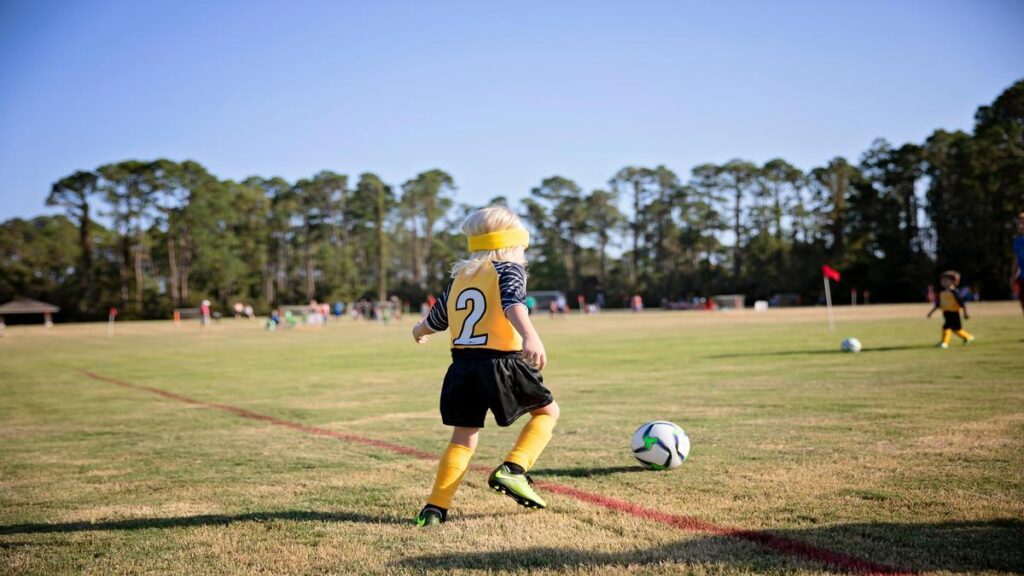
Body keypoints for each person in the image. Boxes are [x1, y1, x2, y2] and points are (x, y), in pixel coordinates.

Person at [410, 206, 559, 526]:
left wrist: (419, 329)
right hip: (501, 361)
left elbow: (439, 318)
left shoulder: (460, 277)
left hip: (462, 367)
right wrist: (531, 336)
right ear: (512, 244)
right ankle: (514, 469)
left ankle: (435, 509)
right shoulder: (508, 269)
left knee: (463, 437)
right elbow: (513, 304)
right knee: (548, 413)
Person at [927, 270, 975, 349]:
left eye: (946, 280)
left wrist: (965, 313)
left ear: (953, 281)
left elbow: (962, 304)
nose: (943, 282)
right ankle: (968, 337)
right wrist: (931, 312)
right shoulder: (942, 292)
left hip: (954, 313)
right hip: (946, 313)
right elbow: (938, 304)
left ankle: (945, 343)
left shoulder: (955, 292)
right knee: (956, 329)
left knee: (947, 327)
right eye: (942, 280)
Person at [1012, 212, 1024, 316]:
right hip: (1022, 277)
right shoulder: (1018, 241)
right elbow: (1016, 259)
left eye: (1023, 223)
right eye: (1019, 223)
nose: (1020, 225)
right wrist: (1013, 276)